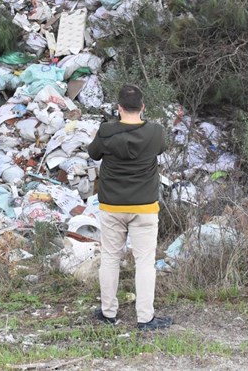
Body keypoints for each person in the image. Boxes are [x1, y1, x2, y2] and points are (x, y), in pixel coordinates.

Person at [86, 84, 172, 331]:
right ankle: (145, 318)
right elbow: (160, 150)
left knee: (111, 258)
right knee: (145, 262)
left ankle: (108, 312)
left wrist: (111, 129)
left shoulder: (106, 131)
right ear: (143, 107)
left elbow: (94, 153)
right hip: (144, 206)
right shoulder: (155, 132)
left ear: (119, 108)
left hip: (112, 205)